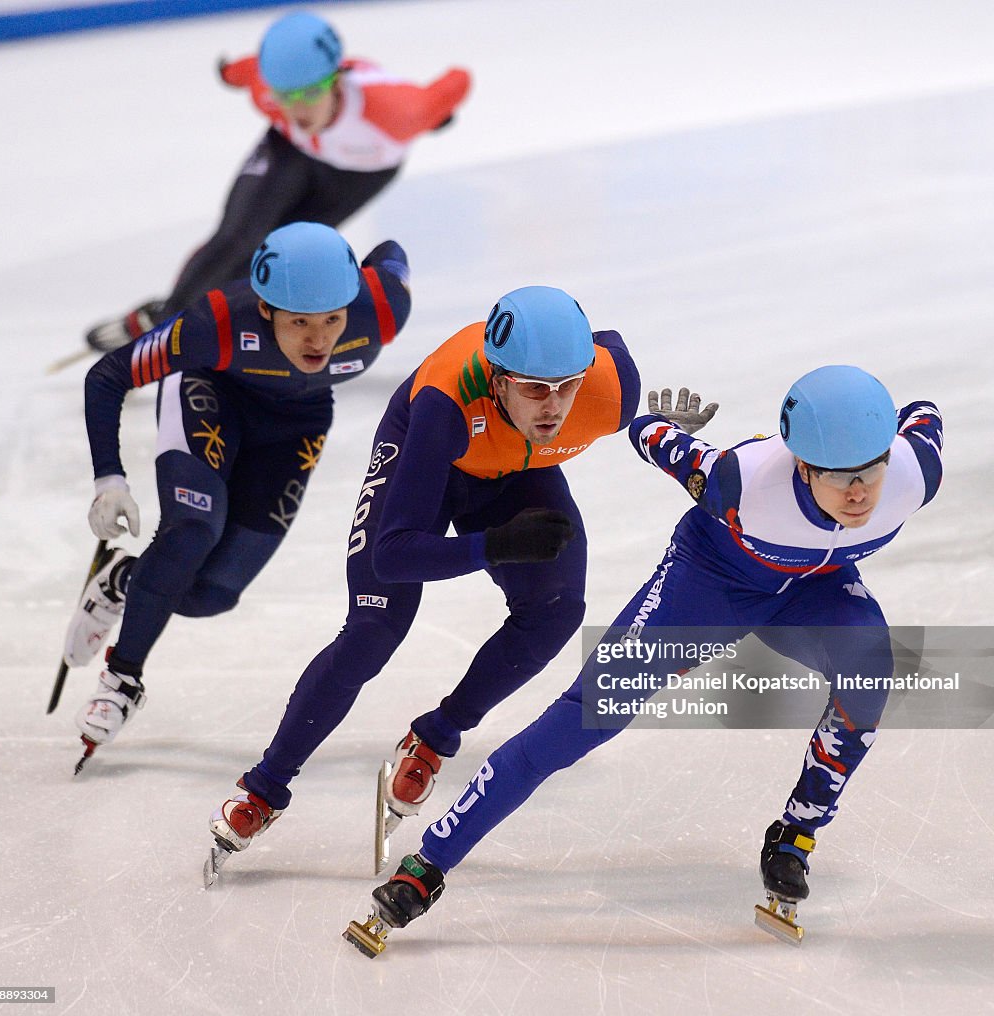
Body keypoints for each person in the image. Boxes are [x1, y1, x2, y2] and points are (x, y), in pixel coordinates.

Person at [351, 366, 943, 951]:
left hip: (815, 592)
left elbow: (924, 412)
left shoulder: (915, 472)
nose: (862, 492)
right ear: (804, 465)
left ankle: (795, 837)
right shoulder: (739, 481)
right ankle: (428, 864)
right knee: (583, 721)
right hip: (710, 587)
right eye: (842, 478)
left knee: (870, 675)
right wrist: (660, 422)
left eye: (871, 470)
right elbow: (649, 437)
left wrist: (868, 425)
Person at [206, 285, 641, 856]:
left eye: (568, 387)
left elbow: (611, 371)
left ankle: (435, 736)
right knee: (372, 632)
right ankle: (264, 787)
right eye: (536, 389)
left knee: (558, 612)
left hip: (516, 470)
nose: (555, 407)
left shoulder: (611, 391)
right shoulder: (445, 402)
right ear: (500, 379)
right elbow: (394, 553)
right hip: (432, 459)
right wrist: (496, 545)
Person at [64, 221, 412, 763]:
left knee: (212, 595)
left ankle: (125, 580)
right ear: (266, 309)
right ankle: (121, 680)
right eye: (299, 322)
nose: (320, 340)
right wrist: (109, 479)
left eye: (333, 320)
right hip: (212, 392)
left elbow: (390, 253)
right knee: (190, 533)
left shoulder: (383, 306)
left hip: (297, 425)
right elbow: (109, 375)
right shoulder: (217, 323)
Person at [84, 9, 470, 352]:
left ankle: (207, 321)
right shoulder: (265, 89)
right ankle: (167, 321)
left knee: (275, 255)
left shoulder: (397, 111)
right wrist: (228, 71)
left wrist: (436, 113)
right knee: (236, 237)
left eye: (310, 93)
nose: (297, 108)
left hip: (358, 173)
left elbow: (458, 80)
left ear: (337, 79)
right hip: (290, 150)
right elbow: (244, 71)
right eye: (284, 95)